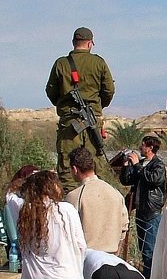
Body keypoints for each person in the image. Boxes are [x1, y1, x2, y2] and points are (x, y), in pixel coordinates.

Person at [46, 27, 115, 189]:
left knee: (68, 168)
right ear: (90, 43)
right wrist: (97, 108)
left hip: (69, 124)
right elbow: (109, 91)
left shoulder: (61, 64)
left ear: (73, 43)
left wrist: (64, 106)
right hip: (92, 122)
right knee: (94, 165)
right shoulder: (99, 63)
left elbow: (51, 91)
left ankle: (71, 205)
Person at [64, 147, 129, 254]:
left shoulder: (74, 196)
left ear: (75, 169)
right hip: (112, 257)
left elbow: (67, 232)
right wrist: (117, 252)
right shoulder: (115, 193)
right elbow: (124, 226)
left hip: (86, 259)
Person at [120, 134, 167, 277]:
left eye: (143, 145)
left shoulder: (158, 165)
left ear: (150, 148)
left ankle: (151, 278)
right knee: (143, 247)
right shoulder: (141, 164)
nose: (140, 147)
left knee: (150, 249)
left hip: (151, 211)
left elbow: (152, 180)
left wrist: (136, 165)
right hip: (140, 210)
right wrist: (126, 166)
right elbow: (127, 180)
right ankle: (147, 276)